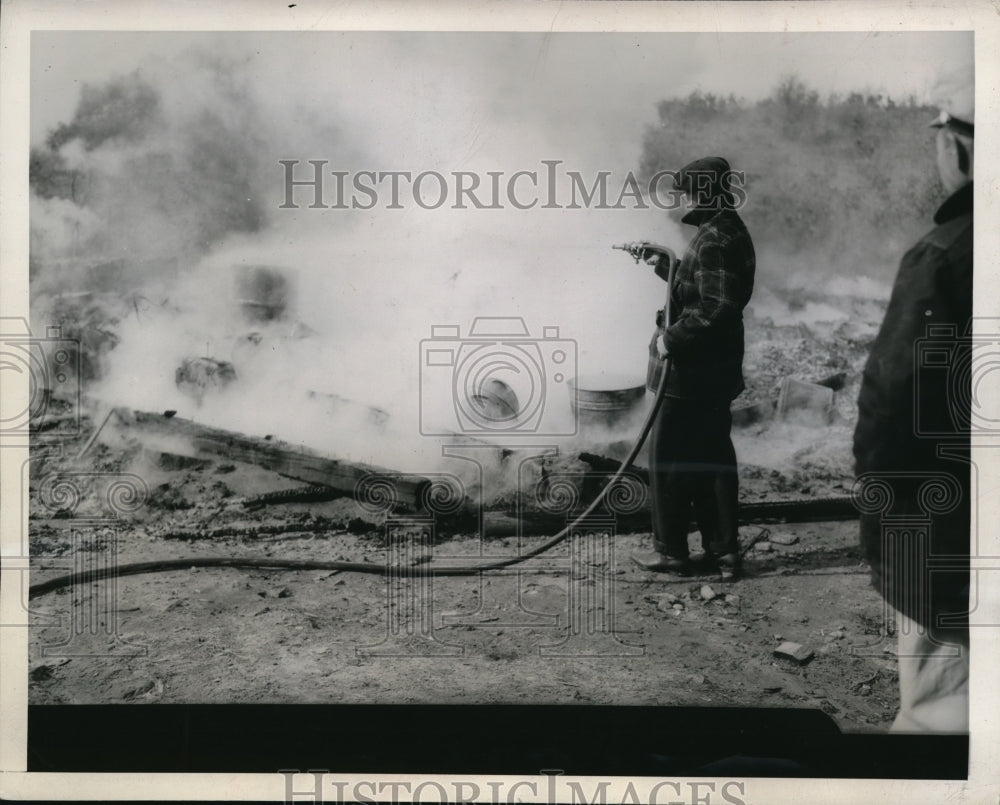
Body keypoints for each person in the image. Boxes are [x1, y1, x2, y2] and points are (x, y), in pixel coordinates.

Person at [853, 70, 973, 732]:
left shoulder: (944, 256)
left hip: (953, 543)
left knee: (941, 717)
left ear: (956, 148)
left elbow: (892, 412)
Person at [631, 156, 756, 582]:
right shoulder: (726, 229)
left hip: (694, 374)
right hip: (714, 372)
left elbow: (718, 305)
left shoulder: (714, 238)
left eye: (688, 192)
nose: (684, 199)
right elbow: (703, 287)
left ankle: (672, 553)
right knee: (712, 458)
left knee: (667, 459)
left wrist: (671, 339)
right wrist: (664, 265)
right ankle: (724, 553)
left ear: (703, 193)